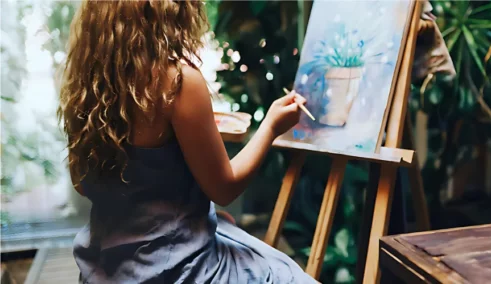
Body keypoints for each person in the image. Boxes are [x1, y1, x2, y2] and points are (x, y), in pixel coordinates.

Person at [58, 1, 315, 283]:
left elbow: (81, 185)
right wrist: (271, 126)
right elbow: (224, 189)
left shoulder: (86, 83)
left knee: (227, 227)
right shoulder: (177, 83)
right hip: (176, 268)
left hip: (108, 267)